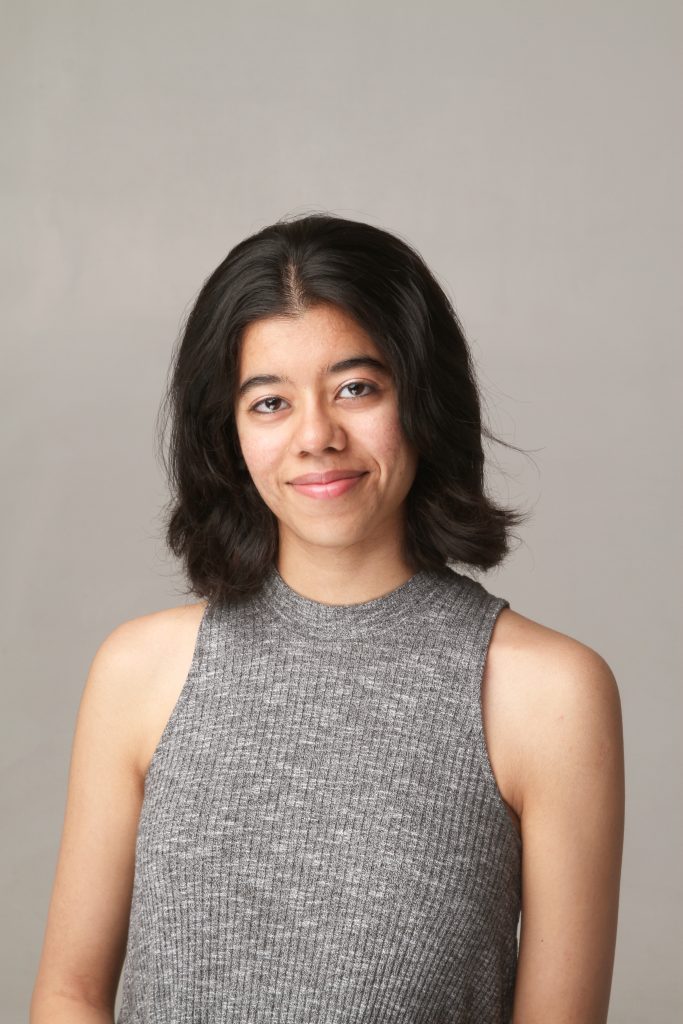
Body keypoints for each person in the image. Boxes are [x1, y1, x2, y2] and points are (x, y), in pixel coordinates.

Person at [30, 212, 625, 1024]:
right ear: (228, 435)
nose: (316, 436)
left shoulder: (546, 694)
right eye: (268, 402)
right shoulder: (139, 673)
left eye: (356, 388)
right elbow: (67, 996)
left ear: (421, 397)